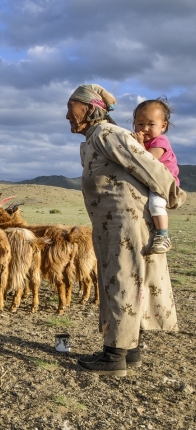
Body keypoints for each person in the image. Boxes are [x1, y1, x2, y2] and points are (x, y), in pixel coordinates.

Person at [65, 84, 186, 376]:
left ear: (90, 108)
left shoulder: (108, 134)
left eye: (72, 108)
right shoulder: (96, 138)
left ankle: (114, 355)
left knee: (122, 281)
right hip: (110, 225)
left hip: (126, 224)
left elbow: (149, 166)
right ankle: (128, 350)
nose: (67, 115)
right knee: (117, 281)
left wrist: (174, 196)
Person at [132, 98, 180, 254]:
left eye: (151, 124)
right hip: (150, 180)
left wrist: (138, 145)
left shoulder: (160, 141)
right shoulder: (143, 141)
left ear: (163, 126)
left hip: (163, 182)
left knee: (155, 204)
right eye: (140, 124)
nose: (145, 128)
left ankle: (163, 236)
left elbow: (147, 161)